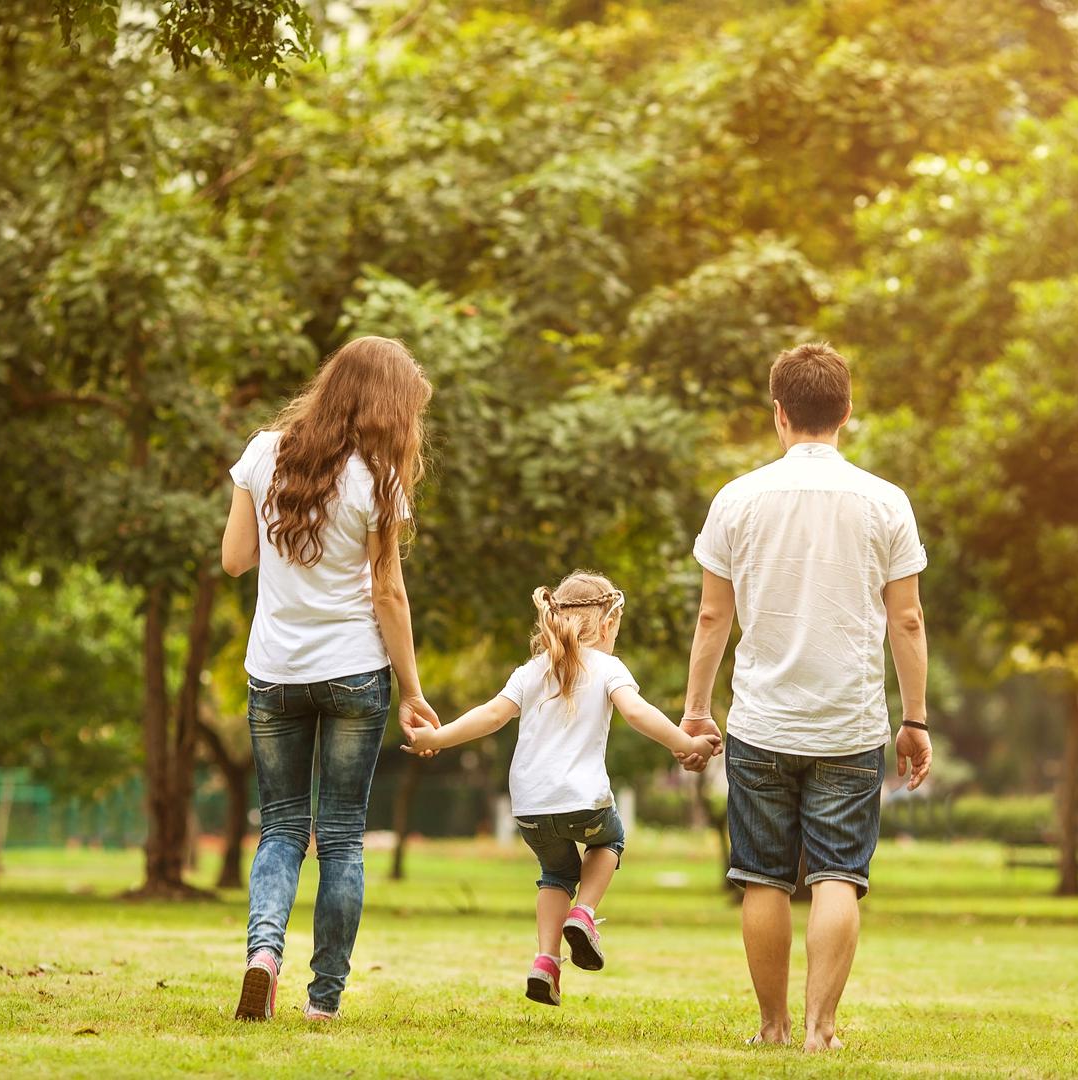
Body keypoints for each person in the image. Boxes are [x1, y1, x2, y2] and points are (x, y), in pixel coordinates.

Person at [676, 341, 933, 1052]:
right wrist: (915, 719)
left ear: (779, 414)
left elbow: (711, 617)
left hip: (761, 721)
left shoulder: (737, 499)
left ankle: (772, 1027)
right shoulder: (886, 502)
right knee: (837, 877)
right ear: (847, 413)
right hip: (851, 725)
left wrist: (697, 710)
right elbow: (907, 619)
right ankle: (821, 1033)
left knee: (761, 877)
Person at [220, 336, 439, 1022]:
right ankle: (323, 1001)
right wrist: (413, 691)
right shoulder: (379, 479)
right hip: (353, 673)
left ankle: (262, 955)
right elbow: (389, 595)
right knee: (341, 835)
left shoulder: (264, 451)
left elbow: (234, 560)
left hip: (274, 671)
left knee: (282, 827)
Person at [400, 571, 719, 1007]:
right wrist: (686, 745)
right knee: (612, 840)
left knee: (555, 874)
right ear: (608, 625)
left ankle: (546, 961)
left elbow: (491, 715)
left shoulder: (532, 670)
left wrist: (435, 739)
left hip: (529, 807)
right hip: (583, 802)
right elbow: (639, 713)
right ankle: (584, 914)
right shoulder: (608, 667)